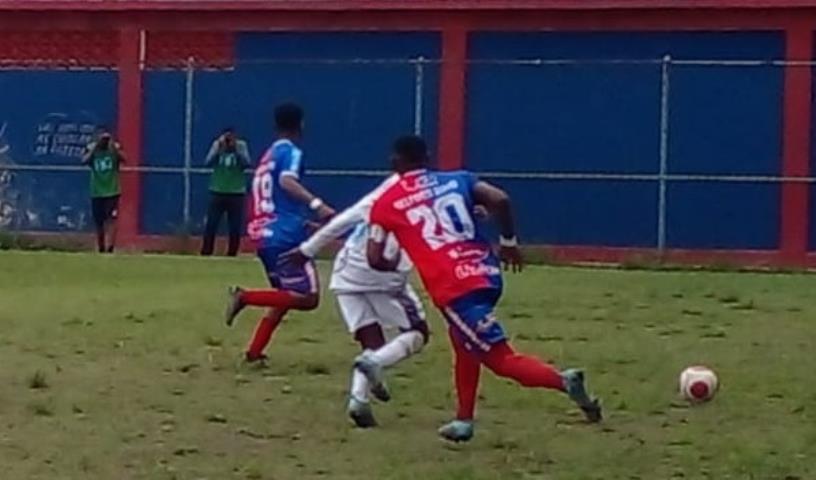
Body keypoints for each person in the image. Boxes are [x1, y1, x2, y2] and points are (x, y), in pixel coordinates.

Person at [366, 135, 602, 442]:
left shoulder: (385, 203)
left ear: (395, 161)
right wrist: (508, 242)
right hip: (486, 273)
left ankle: (564, 381)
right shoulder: (457, 179)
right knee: (463, 340)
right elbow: (499, 199)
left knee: (500, 359)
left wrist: (393, 265)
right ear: (427, 157)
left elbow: (374, 256)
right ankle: (463, 419)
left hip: (453, 286)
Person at [284, 174, 429, 428]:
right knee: (417, 333)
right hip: (382, 279)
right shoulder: (419, 198)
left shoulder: (377, 199)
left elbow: (343, 220)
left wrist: (307, 249)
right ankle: (376, 364)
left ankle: (358, 400)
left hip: (345, 274)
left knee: (371, 339)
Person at [224, 103, 335, 363]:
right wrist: (317, 206)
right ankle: (245, 296)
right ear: (301, 124)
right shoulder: (291, 152)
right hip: (284, 237)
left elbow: (271, 196)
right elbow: (287, 182)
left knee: (284, 296)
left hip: (265, 235)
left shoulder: (268, 156)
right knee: (307, 298)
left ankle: (254, 352)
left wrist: (301, 222)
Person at [201, 128, 251, 257]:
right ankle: (206, 251)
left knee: (234, 226)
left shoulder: (241, 146)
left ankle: (232, 253)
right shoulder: (217, 145)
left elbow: (246, 164)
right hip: (217, 190)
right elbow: (207, 163)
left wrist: (236, 150)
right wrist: (218, 149)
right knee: (211, 224)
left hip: (236, 192)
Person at [82, 127, 126, 253]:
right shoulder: (92, 149)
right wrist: (96, 147)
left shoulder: (114, 149)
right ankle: (101, 246)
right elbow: (84, 161)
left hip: (112, 191)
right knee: (99, 222)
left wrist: (114, 149)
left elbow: (125, 159)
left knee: (111, 219)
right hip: (96, 191)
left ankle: (110, 247)